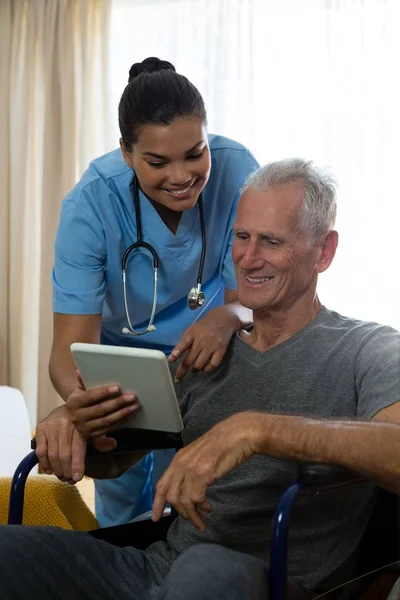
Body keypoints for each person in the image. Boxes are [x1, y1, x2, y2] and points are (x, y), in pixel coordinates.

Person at [2, 158, 400, 600]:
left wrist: (258, 430)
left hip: (266, 583)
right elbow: (113, 462)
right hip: (157, 572)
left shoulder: (370, 349)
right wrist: (74, 426)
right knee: (9, 550)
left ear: (324, 251)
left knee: (206, 569)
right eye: (242, 237)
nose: (248, 259)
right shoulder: (205, 355)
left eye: (270, 241)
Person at [45, 57, 258, 526]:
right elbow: (67, 352)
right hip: (121, 373)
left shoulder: (239, 171)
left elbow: (252, 295)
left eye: (195, 153)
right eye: (157, 162)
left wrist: (226, 317)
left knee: (188, 503)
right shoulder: (91, 204)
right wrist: (82, 401)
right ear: (126, 153)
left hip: (206, 362)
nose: (181, 177)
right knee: (121, 513)